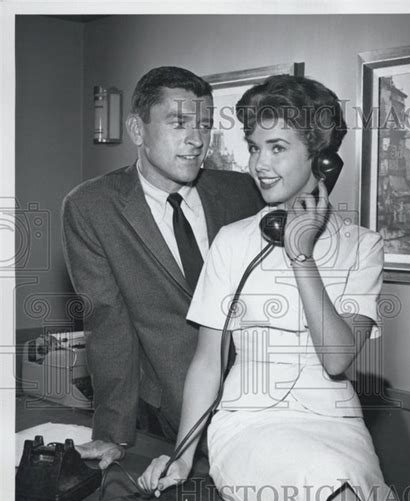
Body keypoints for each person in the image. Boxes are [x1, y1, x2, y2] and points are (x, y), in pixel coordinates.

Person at [138, 75, 406, 501]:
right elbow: (208, 361)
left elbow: (337, 358)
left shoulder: (363, 247)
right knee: (337, 499)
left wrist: (301, 256)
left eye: (278, 148)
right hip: (253, 424)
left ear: (322, 157)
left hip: (334, 423)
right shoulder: (233, 241)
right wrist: (184, 455)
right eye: (255, 147)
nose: (260, 164)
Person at [62, 67, 263, 468]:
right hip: (169, 413)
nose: (196, 140)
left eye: (205, 125)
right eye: (179, 123)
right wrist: (113, 434)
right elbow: (108, 324)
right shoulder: (92, 207)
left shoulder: (243, 193)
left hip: (263, 402)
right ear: (138, 130)